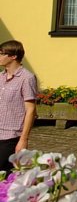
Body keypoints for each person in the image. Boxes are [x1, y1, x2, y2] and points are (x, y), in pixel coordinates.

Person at [0, 40, 38, 174]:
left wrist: (23, 139)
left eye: (1, 54)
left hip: (11, 136)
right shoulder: (1, 77)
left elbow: (31, 110)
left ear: (13, 56)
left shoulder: (27, 78)